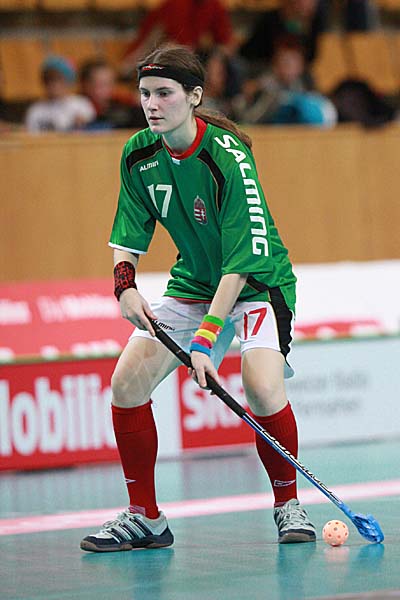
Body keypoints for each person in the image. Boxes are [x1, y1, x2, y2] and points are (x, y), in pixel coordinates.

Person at [80, 44, 316, 553]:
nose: (152, 104)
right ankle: (145, 517)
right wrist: (125, 285)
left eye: (164, 93)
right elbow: (129, 232)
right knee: (126, 383)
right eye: (145, 93)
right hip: (193, 285)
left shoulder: (228, 158)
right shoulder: (139, 153)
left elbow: (239, 263)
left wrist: (206, 342)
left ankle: (288, 503)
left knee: (261, 387)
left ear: (194, 96)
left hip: (256, 284)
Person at [234, 36, 337, 127]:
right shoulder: (264, 85)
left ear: (301, 66)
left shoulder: (305, 83)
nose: (289, 68)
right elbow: (250, 119)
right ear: (276, 65)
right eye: (286, 62)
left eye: (294, 63)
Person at [25, 56, 95, 133]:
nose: (54, 84)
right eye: (49, 79)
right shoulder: (36, 110)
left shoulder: (82, 104)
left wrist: (82, 125)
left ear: (68, 80)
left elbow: (94, 133)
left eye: (59, 79)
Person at [79, 58, 147, 130]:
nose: (107, 89)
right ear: (86, 85)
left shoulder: (122, 105)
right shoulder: (78, 107)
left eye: (110, 83)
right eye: (101, 84)